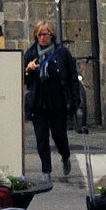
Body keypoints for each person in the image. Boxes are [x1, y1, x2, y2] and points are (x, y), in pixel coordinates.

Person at [23, 21, 78, 179]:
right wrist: (28, 70)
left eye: (44, 34)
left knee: (59, 136)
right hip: (38, 103)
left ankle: (65, 155)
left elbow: (72, 77)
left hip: (57, 102)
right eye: (39, 35)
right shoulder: (31, 53)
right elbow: (26, 81)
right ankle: (46, 170)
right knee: (41, 139)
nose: (42, 38)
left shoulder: (62, 53)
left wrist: (74, 101)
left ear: (51, 35)